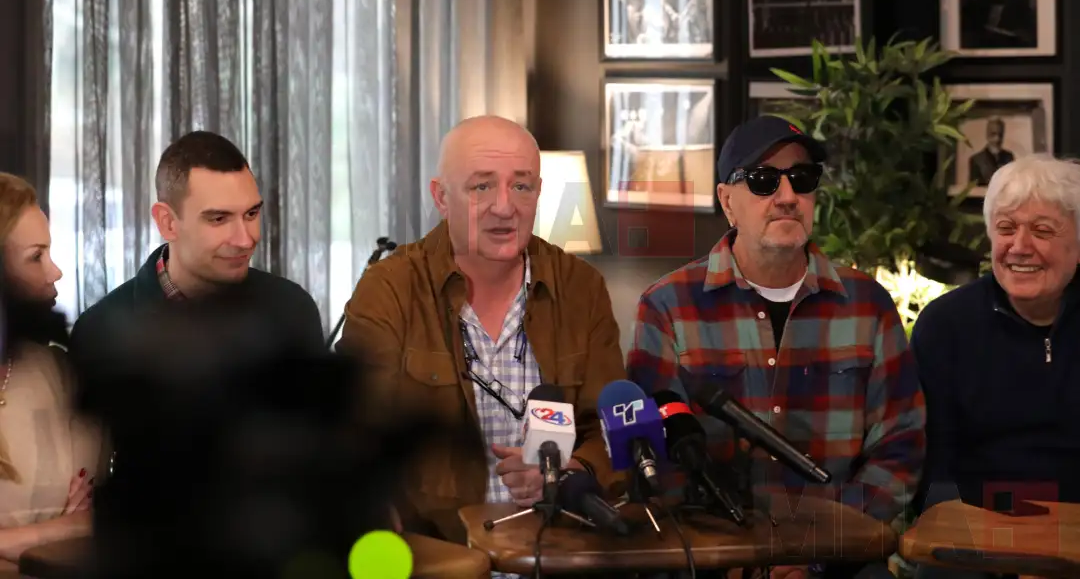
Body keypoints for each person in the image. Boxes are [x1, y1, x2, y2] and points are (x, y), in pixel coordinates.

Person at [627, 116, 925, 576]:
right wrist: (732, 558)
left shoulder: (868, 305)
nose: (787, 196)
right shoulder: (667, 307)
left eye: (802, 179)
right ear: (727, 201)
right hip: (711, 560)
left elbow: (900, 447)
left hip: (835, 559)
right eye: (764, 180)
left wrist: (817, 550)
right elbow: (654, 462)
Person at [337, 115, 626, 545]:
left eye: (521, 186)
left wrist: (567, 473)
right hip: (439, 553)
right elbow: (353, 431)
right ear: (441, 197)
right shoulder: (390, 289)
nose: (505, 207)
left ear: (538, 193)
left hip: (560, 547)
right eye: (482, 187)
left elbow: (611, 429)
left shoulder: (581, 287)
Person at [913, 155, 1080, 524]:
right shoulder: (944, 326)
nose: (1019, 246)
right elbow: (932, 466)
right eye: (1006, 228)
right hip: (976, 526)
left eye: (1042, 230)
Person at [68, 130, 326, 355]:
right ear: (168, 223)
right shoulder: (101, 335)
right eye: (219, 219)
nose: (245, 239)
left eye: (251, 214)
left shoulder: (293, 311)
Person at [0, 172, 103, 566]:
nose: (56, 271)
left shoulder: (59, 371)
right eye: (35, 256)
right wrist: (51, 530)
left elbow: (101, 518)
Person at [968, 117, 1015, 186]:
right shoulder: (976, 160)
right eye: (993, 134)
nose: (997, 139)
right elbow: (973, 189)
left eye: (1000, 135)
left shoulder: (1009, 157)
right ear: (987, 135)